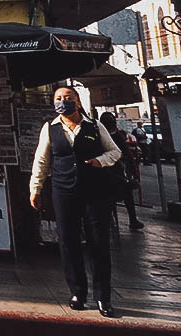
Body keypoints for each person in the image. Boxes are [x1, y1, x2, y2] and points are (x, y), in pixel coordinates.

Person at [30, 86, 122, 318]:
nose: (63, 102)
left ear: (78, 102)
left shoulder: (94, 126)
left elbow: (115, 151)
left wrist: (100, 161)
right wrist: (35, 189)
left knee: (98, 242)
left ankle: (103, 297)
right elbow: (41, 160)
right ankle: (77, 292)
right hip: (63, 189)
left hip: (94, 190)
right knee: (68, 242)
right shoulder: (50, 128)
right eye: (59, 99)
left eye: (68, 98)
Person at [98, 112, 143, 231]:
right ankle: (125, 220)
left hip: (115, 170)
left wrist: (132, 170)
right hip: (111, 170)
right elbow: (127, 153)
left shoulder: (115, 134)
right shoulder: (105, 135)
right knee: (117, 197)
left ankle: (128, 220)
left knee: (122, 196)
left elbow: (127, 153)